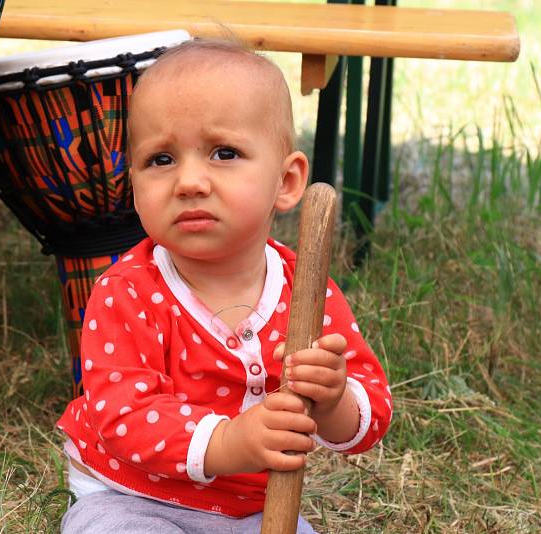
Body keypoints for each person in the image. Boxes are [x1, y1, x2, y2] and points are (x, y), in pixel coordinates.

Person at [56, 38, 392, 534]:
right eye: (161, 160)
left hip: (258, 508)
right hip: (133, 493)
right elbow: (125, 418)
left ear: (287, 181)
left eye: (224, 152)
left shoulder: (308, 291)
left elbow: (372, 411)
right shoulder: (126, 291)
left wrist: (333, 401)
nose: (189, 180)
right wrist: (233, 441)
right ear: (134, 185)